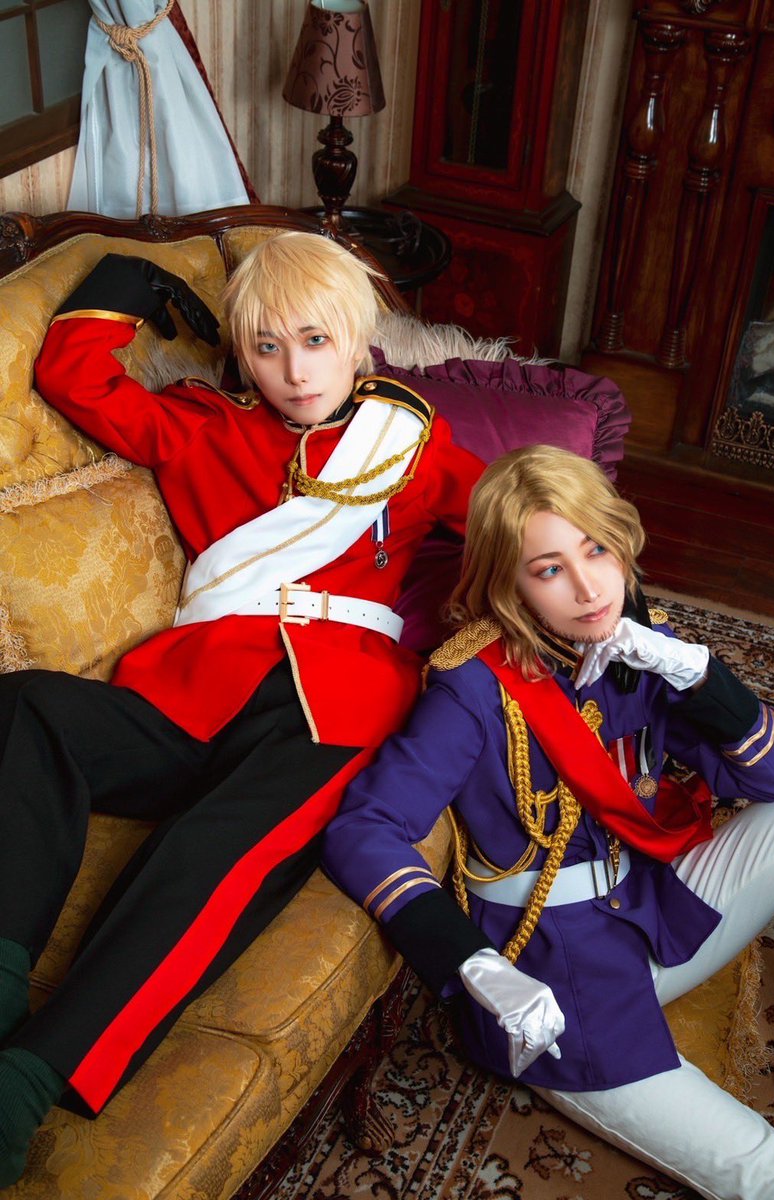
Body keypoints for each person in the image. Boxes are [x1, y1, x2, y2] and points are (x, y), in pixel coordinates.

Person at [0, 232, 483, 1186]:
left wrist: (590, 586)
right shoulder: (201, 425)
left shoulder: (411, 445)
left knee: (209, 855)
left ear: (359, 340)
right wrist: (122, 283)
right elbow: (75, 378)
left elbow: (511, 522)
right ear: (241, 354)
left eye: (315, 340)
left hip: (333, 708)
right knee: (29, 709)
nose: (295, 372)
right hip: (191, 695)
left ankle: (29, 1077)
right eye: (267, 346)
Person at [323, 443, 774, 1200]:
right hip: (551, 978)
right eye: (548, 569)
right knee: (770, 1170)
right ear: (506, 584)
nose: (588, 588)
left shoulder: (638, 644)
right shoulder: (472, 690)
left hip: (650, 915)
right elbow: (363, 828)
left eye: (597, 549)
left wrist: (701, 675)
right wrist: (472, 963)